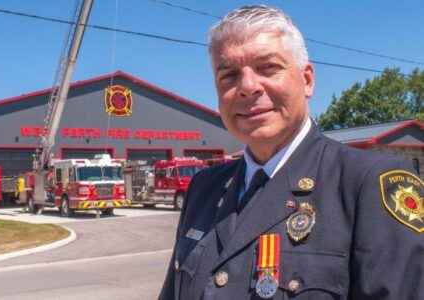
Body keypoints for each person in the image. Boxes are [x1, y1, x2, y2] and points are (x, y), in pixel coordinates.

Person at [159, 5, 423, 300]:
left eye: (268, 67)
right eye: (229, 75)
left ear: (307, 80)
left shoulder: (367, 182)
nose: (247, 87)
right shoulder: (204, 188)